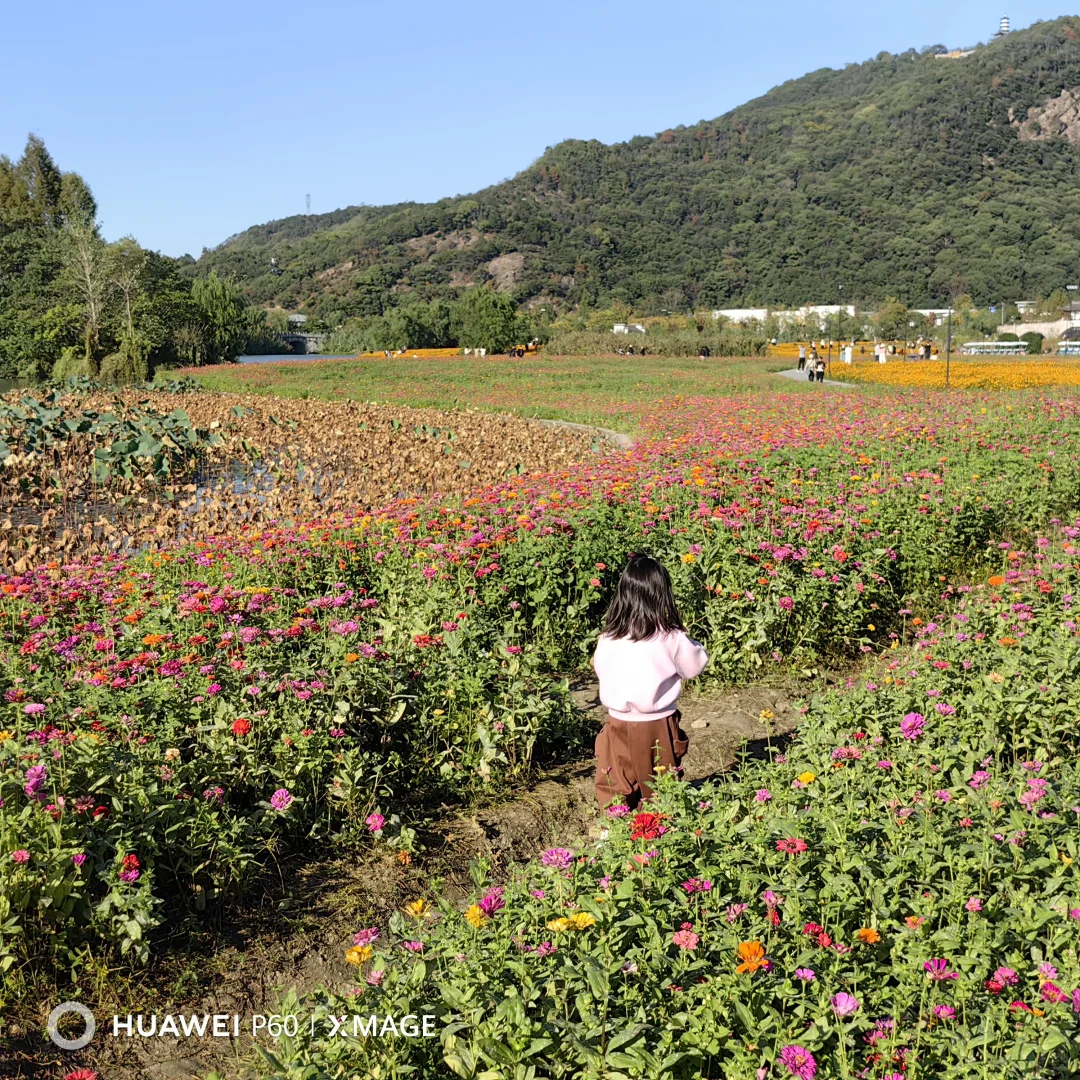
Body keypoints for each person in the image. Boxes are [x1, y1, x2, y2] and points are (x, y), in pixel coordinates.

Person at [592, 555, 707, 809]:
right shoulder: (672, 637)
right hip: (657, 725)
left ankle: (613, 834)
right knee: (660, 786)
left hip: (617, 722)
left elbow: (601, 669)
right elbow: (695, 666)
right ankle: (659, 837)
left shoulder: (609, 637)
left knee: (615, 782)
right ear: (662, 595)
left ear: (623, 595)